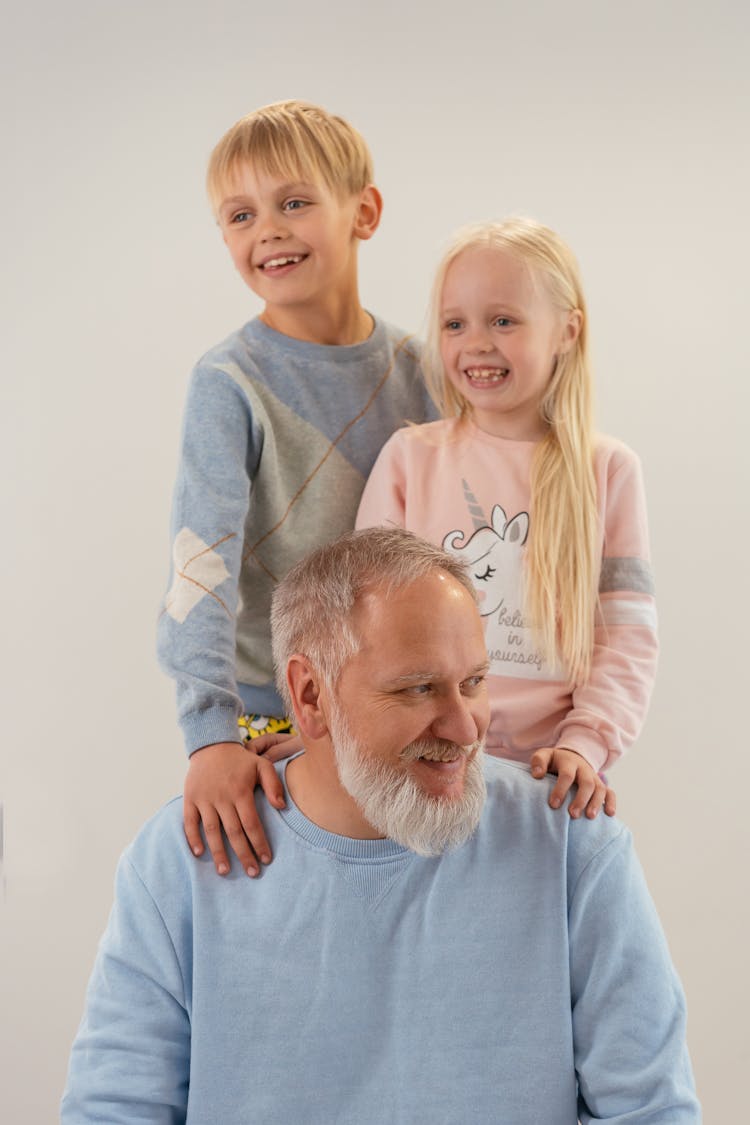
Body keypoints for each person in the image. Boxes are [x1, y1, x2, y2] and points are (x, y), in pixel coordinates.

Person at [63, 529, 699, 1124]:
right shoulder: (182, 862)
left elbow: (650, 1109)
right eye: (418, 689)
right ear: (310, 697)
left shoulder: (570, 841)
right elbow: (114, 1109)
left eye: (473, 682)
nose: (465, 727)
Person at [156, 100, 433, 879]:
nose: (267, 230)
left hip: (399, 700)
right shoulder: (228, 384)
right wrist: (211, 734)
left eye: (295, 203)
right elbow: (198, 565)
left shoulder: (422, 370)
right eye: (240, 215)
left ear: (364, 212)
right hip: (271, 710)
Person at [357, 217, 658, 819]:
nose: (476, 343)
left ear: (567, 331)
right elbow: (360, 619)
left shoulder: (608, 470)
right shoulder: (410, 459)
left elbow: (625, 636)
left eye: (503, 320)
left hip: (545, 782)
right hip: (417, 768)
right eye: (454, 324)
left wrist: (586, 743)